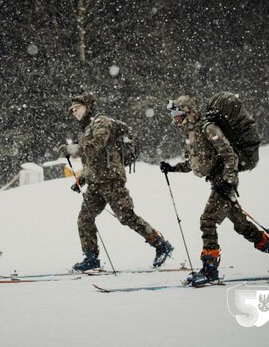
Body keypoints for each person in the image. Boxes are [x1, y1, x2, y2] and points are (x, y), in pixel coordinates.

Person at [161, 94, 268, 286]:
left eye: (178, 114)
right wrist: (172, 168)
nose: (175, 119)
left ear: (188, 113)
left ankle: (210, 267)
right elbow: (196, 163)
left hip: (224, 182)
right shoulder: (192, 135)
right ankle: (266, 244)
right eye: (174, 116)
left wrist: (227, 182)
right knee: (241, 225)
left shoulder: (208, 129)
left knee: (207, 220)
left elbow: (230, 156)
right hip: (218, 182)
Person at [59, 92, 173, 271]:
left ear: (87, 107)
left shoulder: (101, 122)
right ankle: (91, 258)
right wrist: (82, 179)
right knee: (84, 219)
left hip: (112, 180)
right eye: (72, 110)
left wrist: (75, 149)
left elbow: (98, 145)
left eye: (77, 108)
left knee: (127, 217)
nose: (74, 112)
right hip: (96, 183)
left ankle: (161, 245)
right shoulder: (86, 129)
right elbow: (92, 162)